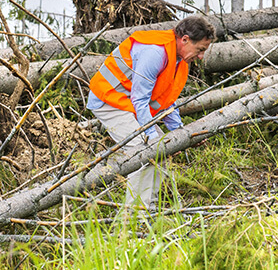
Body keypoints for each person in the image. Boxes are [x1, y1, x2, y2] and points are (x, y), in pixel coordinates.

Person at [86, 16, 216, 209]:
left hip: (127, 104)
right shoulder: (155, 53)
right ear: (185, 39)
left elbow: (164, 102)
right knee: (146, 151)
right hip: (108, 101)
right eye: (200, 50)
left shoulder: (177, 59)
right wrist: (151, 136)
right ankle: (135, 216)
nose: (201, 57)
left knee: (161, 149)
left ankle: (146, 206)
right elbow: (140, 100)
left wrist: (180, 134)